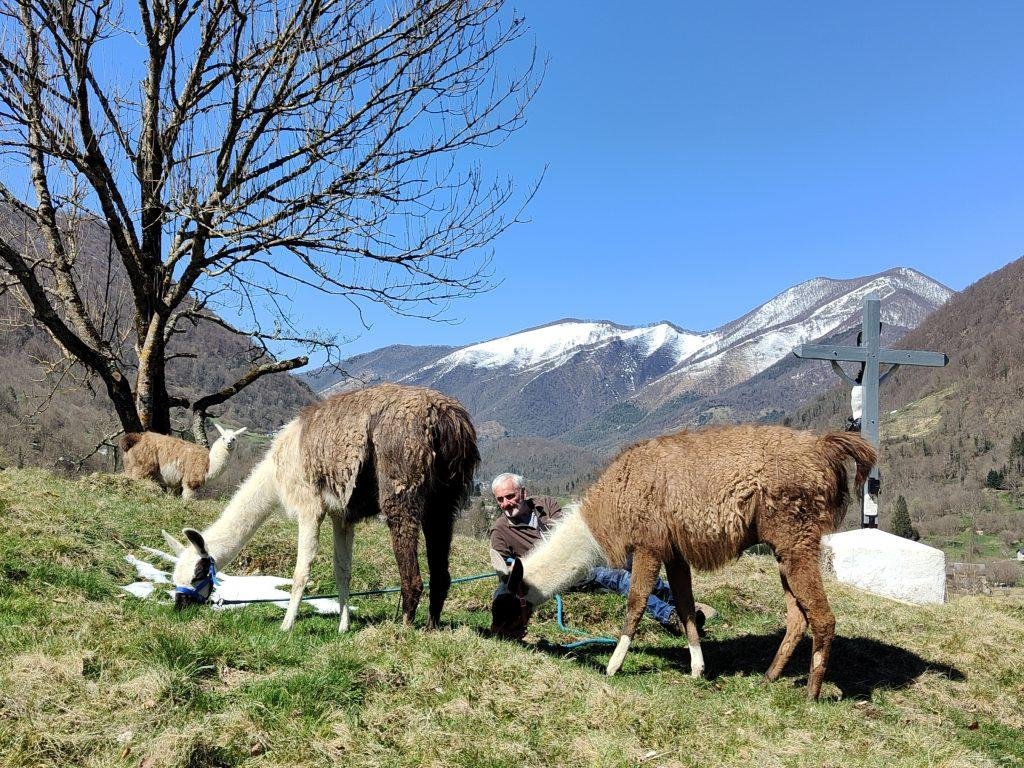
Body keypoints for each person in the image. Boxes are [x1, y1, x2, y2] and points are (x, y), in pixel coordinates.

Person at [487, 472, 714, 636]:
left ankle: (685, 607)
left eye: (510, 496)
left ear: (523, 492)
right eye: (500, 500)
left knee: (636, 566)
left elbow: (568, 536)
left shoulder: (545, 504)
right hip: (563, 575)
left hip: (582, 557)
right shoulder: (500, 530)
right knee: (620, 579)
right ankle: (671, 618)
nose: (506, 504)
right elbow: (502, 572)